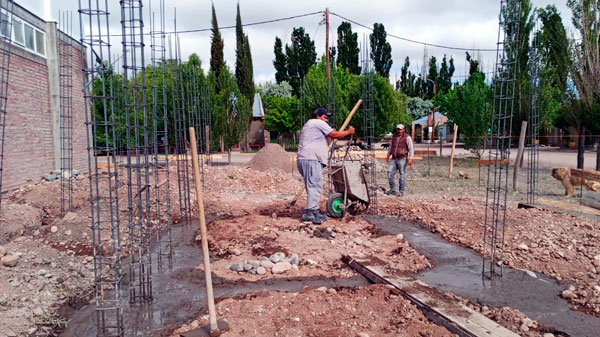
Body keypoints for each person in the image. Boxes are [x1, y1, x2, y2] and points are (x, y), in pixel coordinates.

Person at [297, 107, 355, 224]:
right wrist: (348, 132)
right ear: (318, 116)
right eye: (325, 117)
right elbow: (335, 134)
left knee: (314, 185)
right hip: (311, 159)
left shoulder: (312, 126)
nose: (326, 120)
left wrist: (330, 135)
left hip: (309, 159)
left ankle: (314, 210)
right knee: (314, 186)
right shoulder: (316, 122)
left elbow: (329, 139)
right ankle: (309, 212)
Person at [386, 123, 414, 197]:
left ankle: (401, 191)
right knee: (389, 173)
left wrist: (410, 158)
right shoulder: (394, 137)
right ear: (396, 129)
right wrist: (388, 155)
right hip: (394, 158)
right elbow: (391, 146)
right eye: (398, 129)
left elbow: (411, 148)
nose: (399, 131)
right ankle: (393, 190)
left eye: (401, 129)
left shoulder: (407, 137)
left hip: (403, 158)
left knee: (402, 175)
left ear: (403, 129)